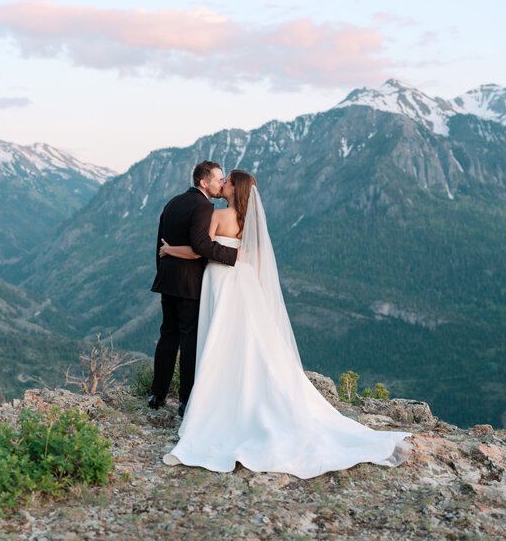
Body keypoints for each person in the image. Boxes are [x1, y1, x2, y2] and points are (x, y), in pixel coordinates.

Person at [158, 169, 413, 479]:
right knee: (249, 342)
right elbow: (255, 259)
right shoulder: (250, 222)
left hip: (220, 282)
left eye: (227, 182)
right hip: (244, 285)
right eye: (220, 179)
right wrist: (241, 260)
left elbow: (201, 249)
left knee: (219, 343)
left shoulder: (218, 215)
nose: (223, 184)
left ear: (234, 190)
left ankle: (216, 404)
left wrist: (171, 250)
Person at [149, 161, 239, 417]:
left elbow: (160, 243)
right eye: (218, 179)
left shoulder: (173, 202)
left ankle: (157, 394)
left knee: (167, 336)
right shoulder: (203, 207)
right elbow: (201, 245)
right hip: (190, 283)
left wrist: (163, 270)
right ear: (203, 182)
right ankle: (186, 401)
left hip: (168, 280)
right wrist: (234, 255)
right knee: (189, 342)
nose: (222, 184)